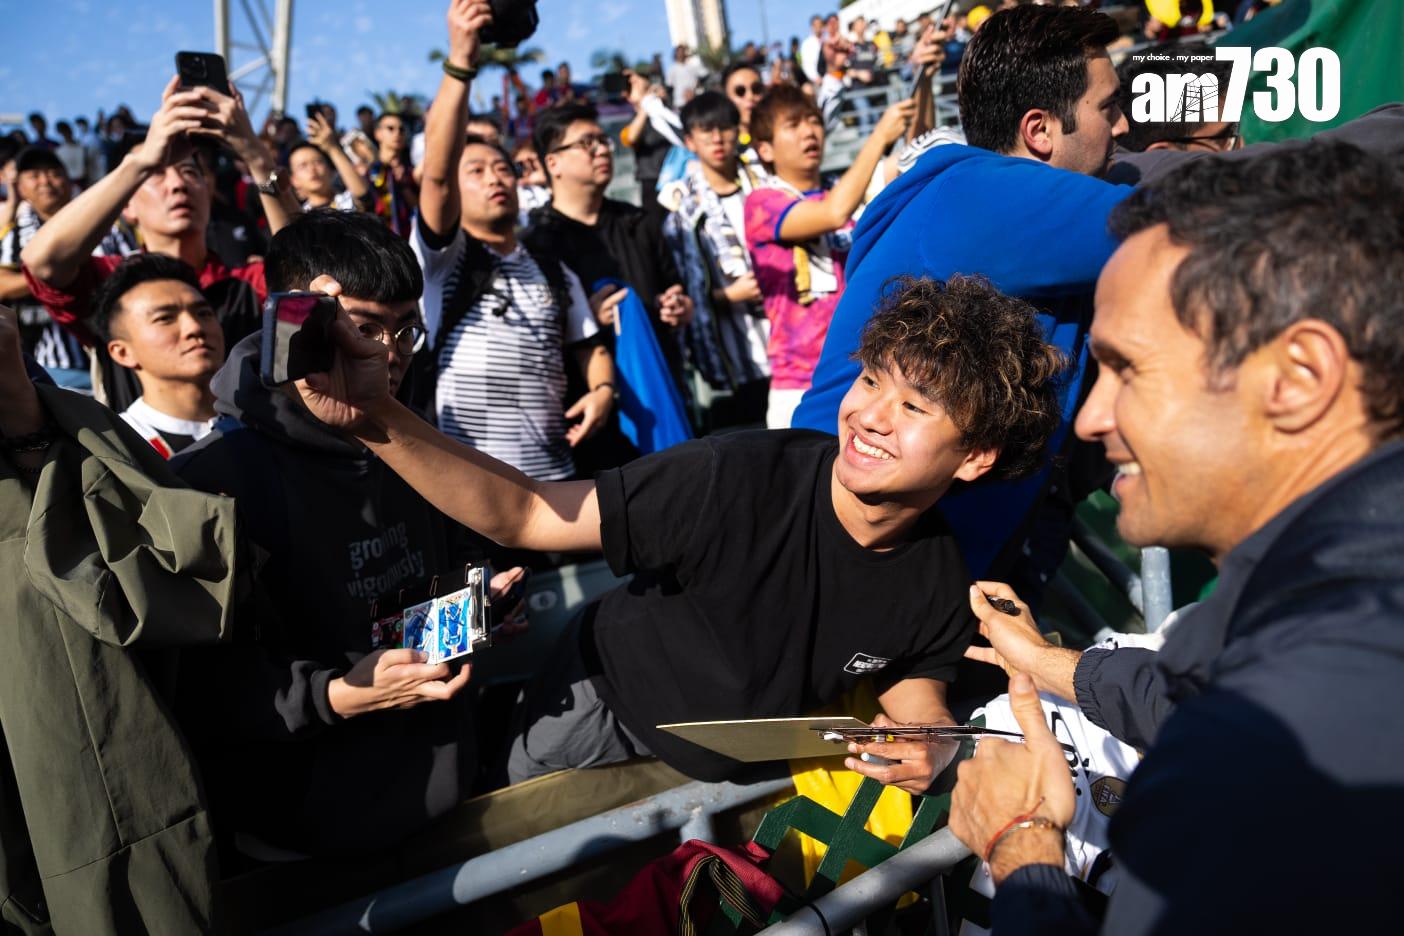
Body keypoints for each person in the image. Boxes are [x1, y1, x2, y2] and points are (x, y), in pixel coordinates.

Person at [292, 272, 1067, 791]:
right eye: (871, 380)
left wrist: (930, 736)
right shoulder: (732, 476)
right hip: (592, 717)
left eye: (915, 406)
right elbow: (528, 513)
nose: (869, 415)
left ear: (976, 457)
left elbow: (910, 671)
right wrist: (377, 419)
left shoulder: (938, 570)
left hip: (739, 779)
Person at [946, 140, 1404, 934]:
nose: (1089, 419)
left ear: (1298, 378)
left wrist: (1023, 853)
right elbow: (1196, 688)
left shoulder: (1266, 754)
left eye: (1127, 370)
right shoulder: (1337, 620)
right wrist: (1048, 663)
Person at [172, 205, 523, 856]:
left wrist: (478, 603)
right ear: (298, 321)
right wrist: (341, 695)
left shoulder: (412, 445)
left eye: (404, 333)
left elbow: (435, 567)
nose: (386, 355)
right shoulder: (211, 482)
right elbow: (203, 694)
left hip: (448, 794)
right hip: (309, 843)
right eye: (364, 329)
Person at [793, 4, 1130, 583]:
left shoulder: (972, 188)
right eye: (1108, 109)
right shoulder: (987, 198)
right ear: (1039, 130)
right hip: (852, 558)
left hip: (910, 555)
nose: (1122, 127)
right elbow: (1187, 221)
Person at [0, 308, 239, 935]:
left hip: (52, 679)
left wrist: (25, 416)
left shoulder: (39, 408)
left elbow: (113, 582)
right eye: (167, 315)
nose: (193, 326)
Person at [411, 0, 615, 483]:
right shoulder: (444, 259)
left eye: (502, 168)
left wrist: (602, 389)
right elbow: (437, 176)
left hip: (558, 486)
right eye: (476, 172)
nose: (495, 178)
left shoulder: (551, 266)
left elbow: (588, 344)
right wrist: (461, 60)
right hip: (475, 498)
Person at [21, 74, 297, 408]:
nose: (177, 185)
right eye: (156, 176)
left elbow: (311, 276)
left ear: (209, 196)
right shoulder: (108, 282)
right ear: (127, 205)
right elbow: (42, 261)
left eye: (190, 173)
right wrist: (141, 160)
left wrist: (254, 154)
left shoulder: (247, 284)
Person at [744, 84, 914, 429]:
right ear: (764, 148)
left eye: (814, 121)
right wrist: (878, 136)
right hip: (799, 384)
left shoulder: (844, 186)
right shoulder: (761, 203)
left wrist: (922, 76)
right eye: (793, 125)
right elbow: (834, 213)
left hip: (862, 375)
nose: (810, 131)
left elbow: (914, 158)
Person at [524, 101, 694, 391]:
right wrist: (585, 323)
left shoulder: (639, 222)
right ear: (553, 163)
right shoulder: (536, 245)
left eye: (604, 140)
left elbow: (675, 289)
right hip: (587, 405)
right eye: (587, 143)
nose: (602, 150)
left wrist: (678, 308)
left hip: (659, 390)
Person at [660, 92, 770, 428]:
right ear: (690, 141)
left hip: (792, 340)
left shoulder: (769, 184)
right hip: (736, 356)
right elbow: (685, 289)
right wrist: (727, 296)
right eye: (706, 131)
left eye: (724, 127)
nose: (717, 138)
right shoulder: (683, 212)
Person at [2, 146, 133, 389]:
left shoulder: (110, 225)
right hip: (54, 368)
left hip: (121, 355)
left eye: (53, 173)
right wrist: (58, 275)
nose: (45, 181)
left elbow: (136, 272)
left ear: (68, 180)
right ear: (20, 187)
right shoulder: (15, 234)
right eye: (34, 176)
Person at [91, 254, 222, 457]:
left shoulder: (265, 421)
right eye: (165, 318)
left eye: (203, 313)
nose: (194, 327)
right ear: (123, 352)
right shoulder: (117, 450)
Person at [290, 110, 372, 211]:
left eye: (317, 162)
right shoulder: (298, 220)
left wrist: (332, 147)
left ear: (330, 170)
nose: (312, 169)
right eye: (303, 166)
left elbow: (363, 195)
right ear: (294, 180)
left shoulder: (347, 202)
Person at [367, 111, 418, 237]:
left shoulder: (411, 171)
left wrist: (404, 185)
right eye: (391, 128)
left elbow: (420, 211)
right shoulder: (366, 171)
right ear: (378, 134)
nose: (397, 133)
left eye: (401, 129)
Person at [54, 120, 88, 187]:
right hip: (69, 184)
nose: (66, 134)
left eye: (66, 130)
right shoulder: (58, 151)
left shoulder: (83, 147)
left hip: (85, 182)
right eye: (63, 132)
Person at [800, 15, 825, 85]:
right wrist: (815, 77)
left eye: (820, 25)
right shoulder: (807, 44)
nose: (818, 27)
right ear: (812, 27)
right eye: (816, 25)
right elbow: (806, 64)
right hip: (818, 82)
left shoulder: (828, 40)